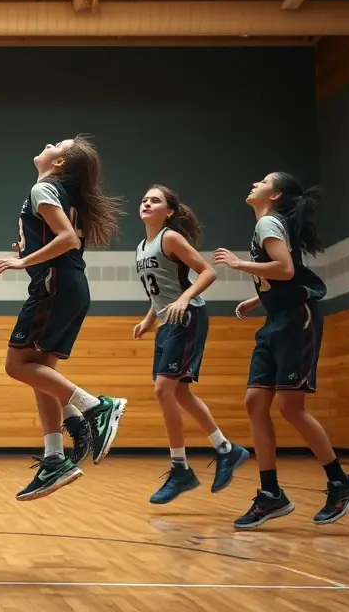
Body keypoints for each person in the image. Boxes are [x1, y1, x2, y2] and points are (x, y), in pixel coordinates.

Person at [213, 172, 349, 528]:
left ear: (276, 195)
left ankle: (341, 483)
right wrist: (259, 297)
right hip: (276, 318)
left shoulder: (268, 221)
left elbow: (285, 268)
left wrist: (240, 265)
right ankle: (271, 495)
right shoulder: (267, 223)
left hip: (298, 319)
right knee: (255, 402)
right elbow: (284, 275)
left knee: (291, 407)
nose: (254, 182)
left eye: (263, 180)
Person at [0, 136, 127, 502]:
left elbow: (66, 239)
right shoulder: (57, 193)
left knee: (16, 365)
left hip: (55, 286)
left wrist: (22, 260)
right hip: (68, 286)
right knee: (40, 373)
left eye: (57, 144)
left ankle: (96, 408)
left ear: (60, 163)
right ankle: (54, 457)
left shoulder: (43, 188)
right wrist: (29, 249)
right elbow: (61, 238)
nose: (47, 143)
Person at [132, 185, 249, 504]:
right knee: (179, 391)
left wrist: (185, 298)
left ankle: (180, 468)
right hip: (168, 322)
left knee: (162, 390)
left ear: (168, 211)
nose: (146, 202)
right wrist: (149, 320)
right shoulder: (142, 246)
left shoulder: (170, 237)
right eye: (144, 199)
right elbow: (162, 291)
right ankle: (227, 449)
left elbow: (207, 272)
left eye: (154, 200)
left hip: (189, 318)